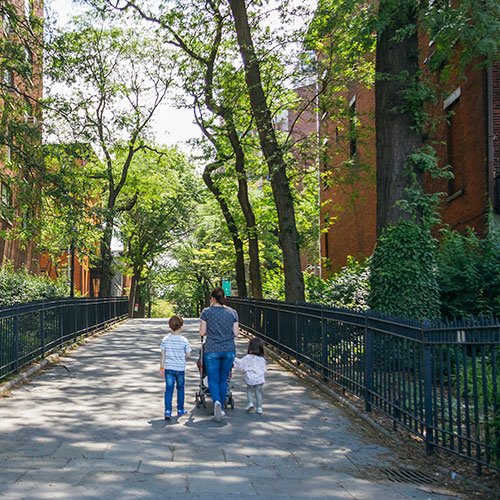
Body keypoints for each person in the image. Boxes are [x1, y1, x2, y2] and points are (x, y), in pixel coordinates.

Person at [199, 287, 239, 422]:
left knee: (213, 378)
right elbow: (236, 333)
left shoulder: (206, 312)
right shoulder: (232, 312)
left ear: (213, 299)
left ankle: (216, 401)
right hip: (228, 349)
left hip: (212, 349)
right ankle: (221, 406)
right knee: (224, 378)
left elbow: (202, 332)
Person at [160, 315, 192, 420]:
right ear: (181, 326)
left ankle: (168, 411)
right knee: (180, 388)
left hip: (169, 368)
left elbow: (163, 355)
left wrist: (161, 367)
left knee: (169, 389)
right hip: (180, 368)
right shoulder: (184, 340)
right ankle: (180, 409)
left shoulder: (165, 339)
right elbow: (189, 355)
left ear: (169, 326)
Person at [233, 337, 267, 414]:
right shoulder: (262, 359)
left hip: (251, 378)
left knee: (249, 390)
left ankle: (250, 403)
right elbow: (264, 368)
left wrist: (233, 360)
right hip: (260, 378)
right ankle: (259, 408)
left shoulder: (248, 358)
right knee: (258, 392)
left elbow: (241, 365)